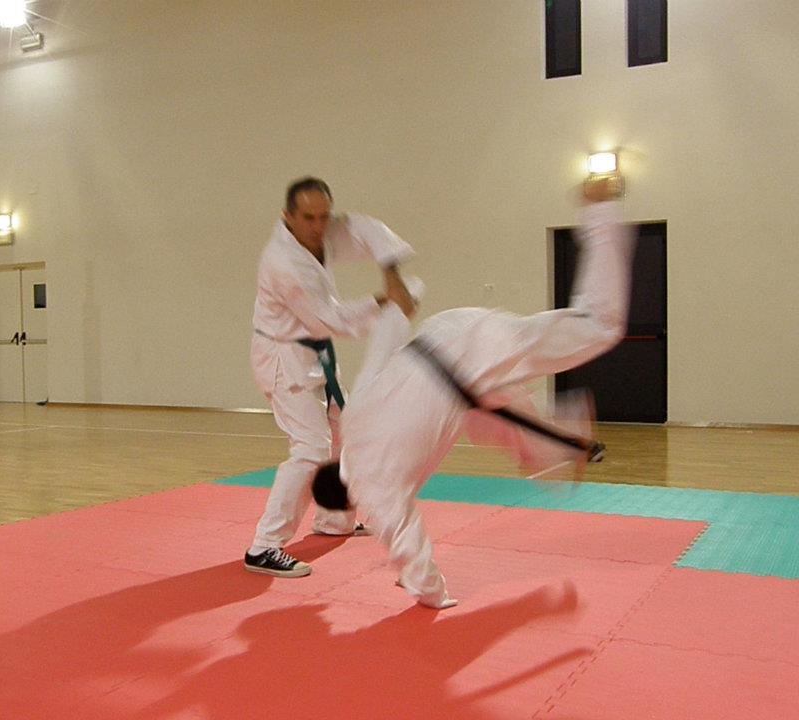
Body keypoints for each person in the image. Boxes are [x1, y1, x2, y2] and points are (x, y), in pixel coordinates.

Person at [312, 178, 634, 607]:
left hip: (474, 361)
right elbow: (381, 352)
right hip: (447, 337)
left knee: (598, 325)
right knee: (486, 423)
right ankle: (564, 446)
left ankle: (599, 212)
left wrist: (431, 593)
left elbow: (405, 539)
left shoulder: (375, 491)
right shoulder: (353, 422)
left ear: (349, 504)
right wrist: (400, 306)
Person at [245, 177, 415, 577]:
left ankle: (334, 519)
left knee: (345, 431)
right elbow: (327, 319)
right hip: (283, 356)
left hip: (313, 352)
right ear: (287, 216)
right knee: (311, 448)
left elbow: (366, 228)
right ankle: (264, 545)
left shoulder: (323, 230)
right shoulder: (283, 262)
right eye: (309, 218)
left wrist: (391, 272)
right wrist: (383, 302)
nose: (319, 226)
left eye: (324, 216)